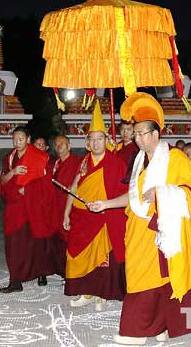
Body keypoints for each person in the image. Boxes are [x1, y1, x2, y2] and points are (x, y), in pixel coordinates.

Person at [88, 92, 191, 345]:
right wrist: (106, 204)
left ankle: (135, 331)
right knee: (149, 278)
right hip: (138, 229)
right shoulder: (139, 161)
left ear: (156, 134)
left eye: (143, 132)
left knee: (150, 279)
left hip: (162, 231)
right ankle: (159, 328)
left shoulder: (175, 159)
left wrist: (161, 193)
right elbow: (135, 197)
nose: (138, 137)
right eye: (136, 133)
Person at [62, 101, 128, 311]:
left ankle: (103, 294)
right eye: (93, 139)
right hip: (83, 219)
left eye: (100, 138)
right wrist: (66, 213)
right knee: (79, 254)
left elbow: (124, 193)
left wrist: (109, 208)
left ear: (106, 140)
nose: (97, 143)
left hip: (105, 219)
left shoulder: (116, 163)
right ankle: (86, 292)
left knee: (104, 259)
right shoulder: (82, 162)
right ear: (88, 141)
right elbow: (73, 187)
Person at [0, 126, 62, 293]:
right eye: (14, 139)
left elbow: (47, 181)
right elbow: (3, 181)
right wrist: (14, 172)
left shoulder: (39, 157)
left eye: (20, 139)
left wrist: (30, 190)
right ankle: (15, 281)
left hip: (34, 206)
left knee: (37, 243)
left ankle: (41, 273)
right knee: (14, 245)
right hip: (15, 208)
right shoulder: (9, 158)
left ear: (27, 139)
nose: (17, 142)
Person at [51, 135, 81, 247]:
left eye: (61, 144)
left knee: (70, 239)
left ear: (69, 146)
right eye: (56, 145)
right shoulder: (55, 164)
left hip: (70, 206)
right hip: (56, 206)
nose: (58, 147)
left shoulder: (78, 162)